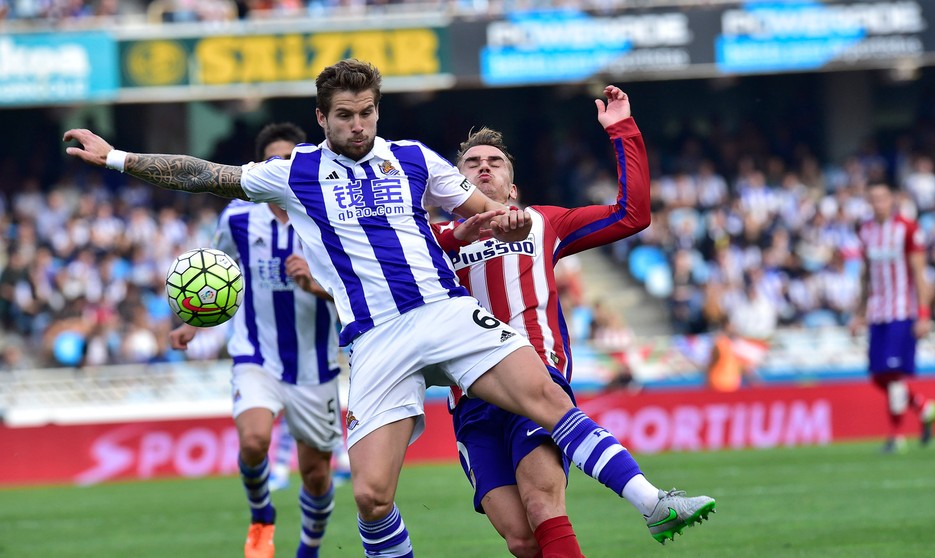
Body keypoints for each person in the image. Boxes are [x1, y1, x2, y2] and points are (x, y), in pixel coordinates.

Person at [64, 58, 716, 557]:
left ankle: (651, 501)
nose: (357, 125)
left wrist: (508, 221)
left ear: (377, 111)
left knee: (549, 399)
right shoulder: (296, 173)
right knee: (373, 497)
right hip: (374, 340)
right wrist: (117, 158)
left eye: (366, 112)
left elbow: (481, 211)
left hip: (442, 311)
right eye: (345, 115)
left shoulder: (413, 159)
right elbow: (206, 174)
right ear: (322, 118)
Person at [430, 85, 652, 557]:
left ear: (512, 187)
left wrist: (622, 131)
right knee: (521, 539)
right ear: (453, 188)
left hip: (536, 375)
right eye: (471, 164)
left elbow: (632, 215)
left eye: (495, 162)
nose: (483, 166)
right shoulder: (429, 241)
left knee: (542, 503)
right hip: (469, 395)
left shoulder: (541, 223)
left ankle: (650, 500)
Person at [169, 122, 342, 558]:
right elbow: (214, 274)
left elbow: (355, 288)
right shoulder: (239, 217)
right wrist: (193, 320)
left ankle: (309, 549)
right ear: (260, 167)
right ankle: (262, 515)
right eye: (272, 161)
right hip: (255, 354)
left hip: (315, 364)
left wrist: (315, 286)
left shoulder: (327, 219)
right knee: (253, 442)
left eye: (289, 160)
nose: (280, 167)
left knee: (317, 475)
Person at [851, 182, 935, 453]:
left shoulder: (907, 228)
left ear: (892, 199)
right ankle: (925, 407)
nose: (878, 203)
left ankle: (896, 436)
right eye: (873, 198)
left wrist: (924, 314)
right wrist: (859, 313)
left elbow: (919, 272)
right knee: (878, 375)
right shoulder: (866, 230)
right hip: (877, 312)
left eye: (882, 198)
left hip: (902, 311)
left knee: (891, 373)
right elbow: (866, 274)